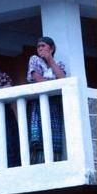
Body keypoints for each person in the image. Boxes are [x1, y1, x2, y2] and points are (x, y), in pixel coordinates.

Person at [26, 36, 66, 164]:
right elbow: (38, 79)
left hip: (54, 105)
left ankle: (54, 161)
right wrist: (52, 83)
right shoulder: (35, 60)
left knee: (54, 135)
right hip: (39, 103)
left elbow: (62, 78)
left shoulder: (58, 64)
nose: (40, 49)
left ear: (51, 48)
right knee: (39, 136)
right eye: (38, 46)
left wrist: (50, 59)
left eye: (43, 46)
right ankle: (38, 163)